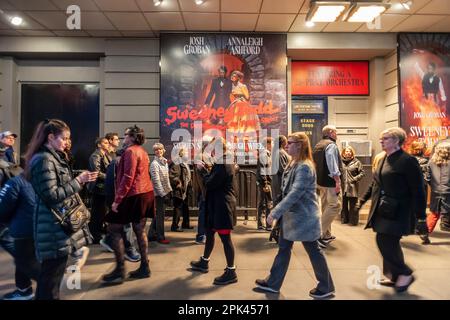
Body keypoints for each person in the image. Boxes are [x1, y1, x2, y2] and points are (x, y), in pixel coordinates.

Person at [255, 132, 335, 299]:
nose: (286, 145)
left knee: (313, 250)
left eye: (290, 143)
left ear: (300, 145)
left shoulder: (305, 166)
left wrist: (275, 212)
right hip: (292, 217)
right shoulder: (294, 162)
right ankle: (273, 283)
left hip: (304, 218)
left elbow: (294, 193)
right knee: (284, 248)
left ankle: (326, 286)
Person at [24, 119, 98, 300]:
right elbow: (52, 195)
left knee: (50, 281)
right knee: (50, 283)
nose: (67, 143)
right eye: (64, 139)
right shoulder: (44, 160)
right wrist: (79, 181)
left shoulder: (52, 157)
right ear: (50, 137)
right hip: (52, 227)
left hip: (56, 227)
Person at [357, 127, 427, 293]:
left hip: (400, 211)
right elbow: (376, 183)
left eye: (386, 138)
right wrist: (362, 200)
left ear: (397, 141)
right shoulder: (383, 159)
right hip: (385, 209)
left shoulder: (407, 161)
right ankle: (396, 276)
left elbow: (418, 190)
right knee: (390, 242)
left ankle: (405, 273)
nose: (381, 141)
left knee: (384, 241)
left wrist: (421, 217)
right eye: (382, 138)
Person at [102, 125, 154, 283]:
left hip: (134, 194)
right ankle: (144, 266)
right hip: (145, 193)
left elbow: (127, 178)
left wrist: (117, 201)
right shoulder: (143, 152)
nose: (123, 138)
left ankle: (120, 269)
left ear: (132, 137)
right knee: (140, 230)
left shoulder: (131, 151)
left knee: (113, 227)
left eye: (126, 135)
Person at [190, 137, 238, 285]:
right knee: (210, 233)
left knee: (225, 239)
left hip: (222, 206)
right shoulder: (222, 162)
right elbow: (214, 178)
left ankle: (231, 271)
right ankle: (204, 262)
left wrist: (202, 171)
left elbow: (210, 183)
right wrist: (207, 170)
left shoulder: (223, 163)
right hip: (216, 205)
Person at [0, 173, 40, 300]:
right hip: (38, 225)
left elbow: (3, 208)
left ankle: (45, 279)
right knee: (22, 253)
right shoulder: (42, 177)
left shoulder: (17, 181)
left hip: (22, 228)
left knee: (22, 257)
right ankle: (24, 289)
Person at [100, 147, 141, 262]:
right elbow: (116, 184)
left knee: (119, 224)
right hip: (119, 200)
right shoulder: (117, 164)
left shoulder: (114, 164)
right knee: (126, 225)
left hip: (117, 199)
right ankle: (129, 250)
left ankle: (108, 240)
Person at [312, 125, 342, 248]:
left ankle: (326, 234)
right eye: (336, 132)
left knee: (325, 206)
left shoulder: (318, 145)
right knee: (335, 205)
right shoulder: (331, 145)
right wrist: (337, 181)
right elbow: (332, 164)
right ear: (330, 132)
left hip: (320, 181)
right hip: (330, 182)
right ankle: (318, 234)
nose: (337, 134)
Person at [420, 142, 450, 244]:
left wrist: (433, 186)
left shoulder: (431, 163)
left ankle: (425, 232)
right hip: (448, 192)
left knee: (434, 214)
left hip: (436, 192)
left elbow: (427, 177)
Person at [87, 137, 111, 244]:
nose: (108, 144)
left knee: (102, 212)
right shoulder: (95, 156)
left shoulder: (105, 155)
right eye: (105, 143)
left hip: (103, 188)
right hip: (98, 188)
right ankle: (94, 235)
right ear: (99, 145)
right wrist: (110, 177)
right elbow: (96, 173)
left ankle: (98, 232)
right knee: (97, 212)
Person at [149, 143, 172, 244]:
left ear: (163, 150)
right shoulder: (154, 164)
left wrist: (169, 190)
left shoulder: (164, 162)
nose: (158, 151)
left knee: (158, 215)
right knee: (160, 216)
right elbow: (156, 181)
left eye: (160, 149)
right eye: (156, 150)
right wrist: (162, 193)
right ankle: (160, 237)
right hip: (158, 194)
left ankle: (151, 234)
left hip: (164, 192)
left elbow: (166, 179)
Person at [340, 146, 365, 226]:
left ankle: (353, 221)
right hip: (343, 187)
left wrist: (354, 179)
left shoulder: (357, 162)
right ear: (343, 153)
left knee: (353, 205)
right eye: (346, 151)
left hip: (352, 187)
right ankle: (344, 220)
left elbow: (362, 173)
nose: (348, 152)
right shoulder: (340, 162)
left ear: (352, 153)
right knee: (343, 205)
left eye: (349, 151)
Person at [169, 148, 192, 231]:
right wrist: (177, 182)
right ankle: (174, 226)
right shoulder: (176, 163)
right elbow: (171, 175)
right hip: (179, 190)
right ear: (181, 154)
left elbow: (187, 176)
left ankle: (186, 224)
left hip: (185, 189)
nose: (188, 154)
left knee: (185, 207)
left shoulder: (185, 163)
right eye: (186, 152)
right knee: (178, 208)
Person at [256, 137, 273, 231]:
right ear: (268, 144)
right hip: (265, 183)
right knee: (265, 203)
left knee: (266, 203)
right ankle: (264, 225)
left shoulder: (266, 154)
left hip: (265, 182)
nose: (273, 145)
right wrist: (265, 184)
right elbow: (262, 170)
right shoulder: (264, 154)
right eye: (272, 143)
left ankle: (265, 225)